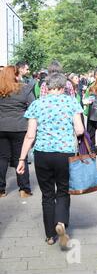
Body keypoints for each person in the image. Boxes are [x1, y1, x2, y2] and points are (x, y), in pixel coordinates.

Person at [17, 73, 85, 247]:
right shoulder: (71, 102)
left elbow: (30, 135)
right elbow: (79, 130)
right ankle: (61, 222)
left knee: (47, 194)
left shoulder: (37, 104)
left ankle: (49, 236)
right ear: (63, 87)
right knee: (63, 190)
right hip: (65, 154)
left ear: (47, 86)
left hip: (43, 154)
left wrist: (22, 159)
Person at [0, 66, 34, 198]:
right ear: (15, 75)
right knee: (21, 157)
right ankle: (24, 189)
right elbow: (33, 106)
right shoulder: (24, 89)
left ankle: (1, 189)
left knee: (2, 158)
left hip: (2, 127)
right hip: (19, 127)